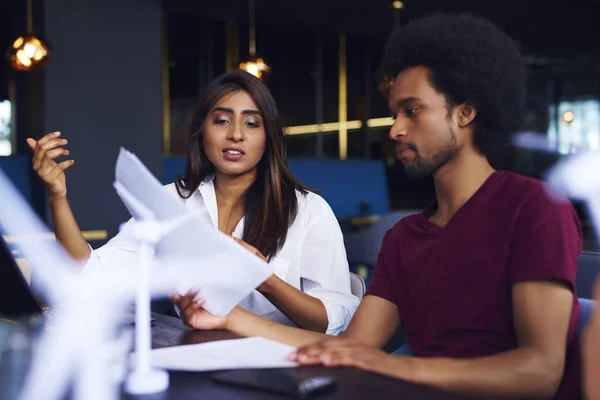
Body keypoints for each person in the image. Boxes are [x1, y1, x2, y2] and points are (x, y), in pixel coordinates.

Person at [171, 13, 582, 399]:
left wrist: (392, 367)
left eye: (412, 111)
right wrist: (230, 319)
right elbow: (349, 348)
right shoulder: (404, 238)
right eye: (393, 114)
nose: (396, 129)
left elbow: (539, 373)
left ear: (465, 112)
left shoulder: (533, 208)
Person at [27, 70, 359, 335]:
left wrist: (264, 279)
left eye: (251, 123)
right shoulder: (170, 201)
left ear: (268, 137)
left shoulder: (308, 211)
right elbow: (90, 274)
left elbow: (330, 322)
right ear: (202, 131)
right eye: (222, 120)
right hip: (199, 355)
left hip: (282, 365)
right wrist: (58, 196)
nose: (236, 135)